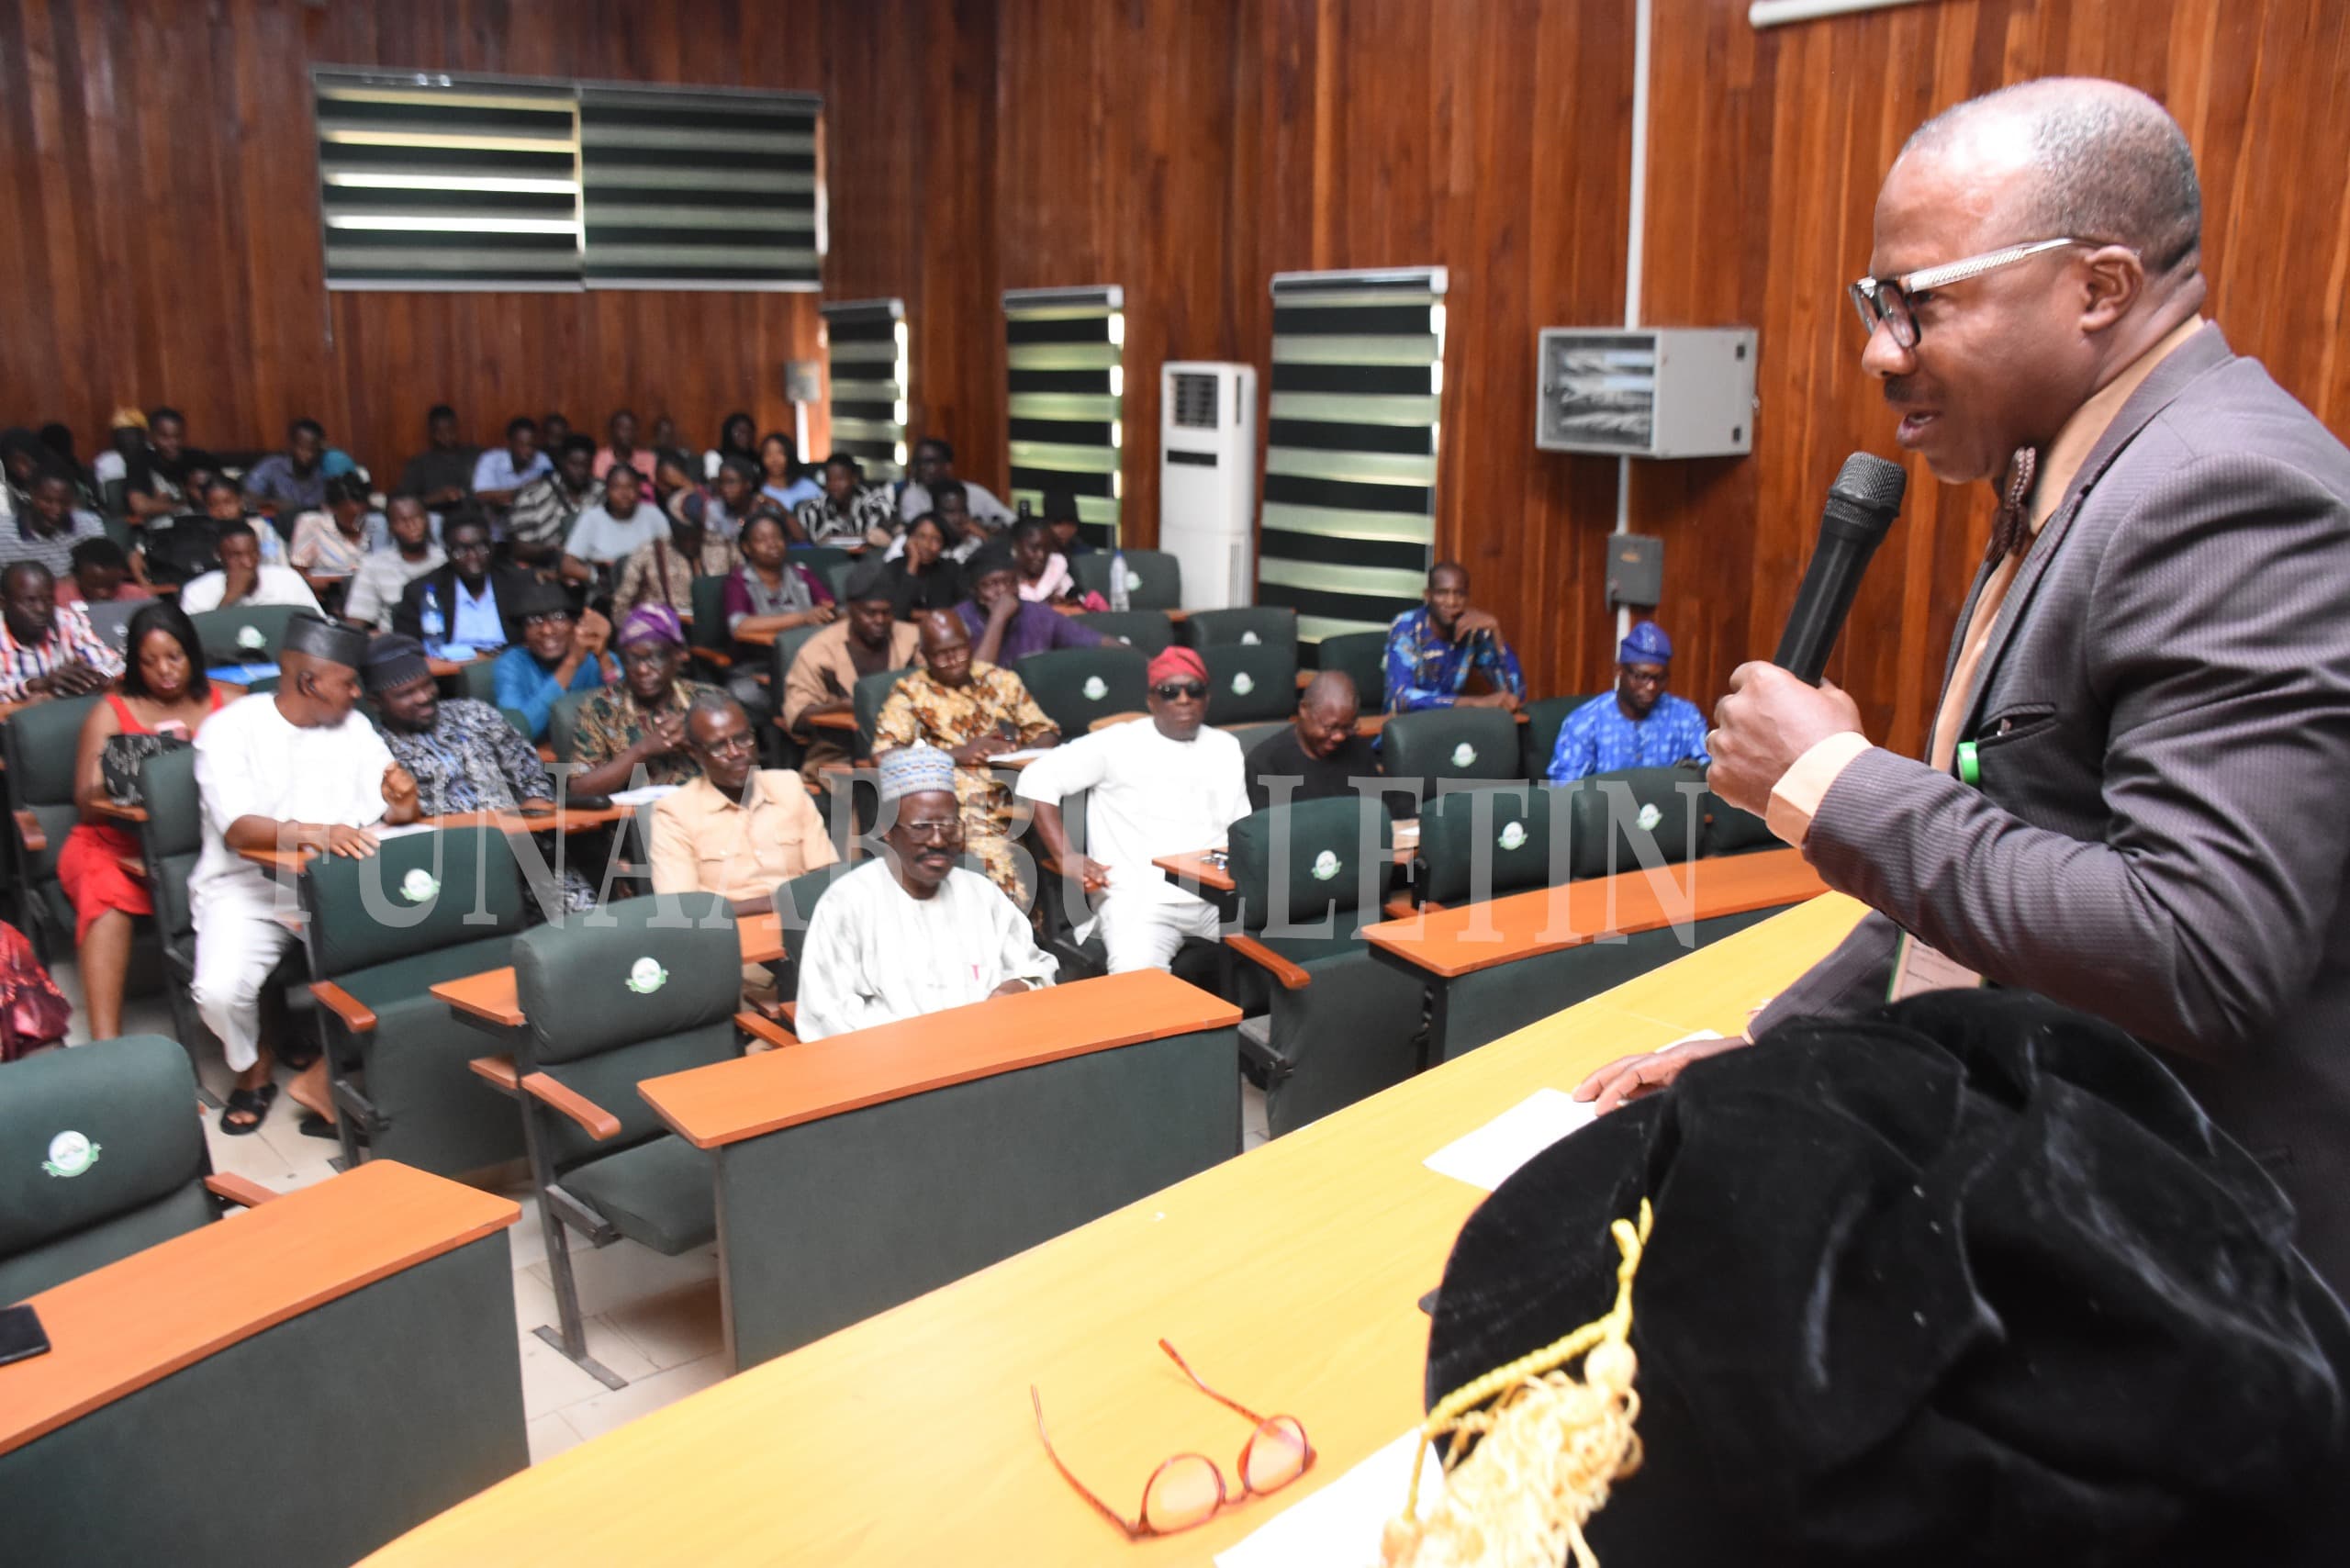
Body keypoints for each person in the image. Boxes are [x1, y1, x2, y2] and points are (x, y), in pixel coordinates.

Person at [1572, 78, 2350, 1298]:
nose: (1879, 352)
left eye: (1919, 303)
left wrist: (1834, 781)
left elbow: (2201, 947)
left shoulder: (2222, 492)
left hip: (2201, 1266)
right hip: (2065, 1186)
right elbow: (2004, 846)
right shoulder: (2072, 479)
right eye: (1875, 303)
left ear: (2098, 288)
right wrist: (1778, 1044)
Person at [192, 615, 420, 1133]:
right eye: (349, 682)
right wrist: (319, 834)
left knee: (417, 950)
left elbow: (396, 810)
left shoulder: (354, 727)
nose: (358, 693)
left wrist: (405, 800)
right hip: (250, 887)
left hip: (342, 884)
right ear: (310, 682)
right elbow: (239, 829)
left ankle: (334, 1075)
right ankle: (252, 1064)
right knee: (219, 992)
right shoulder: (228, 729)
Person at [794, 745, 1057, 1042]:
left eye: (949, 825)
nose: (938, 840)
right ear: (887, 829)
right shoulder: (846, 903)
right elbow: (824, 1015)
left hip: (992, 1048)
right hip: (895, 1062)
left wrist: (1018, 987)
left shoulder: (982, 894)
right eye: (921, 827)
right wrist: (922, 1043)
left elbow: (1034, 969)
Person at [60, 602, 236, 1040]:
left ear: (192, 653)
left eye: (174, 657)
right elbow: (85, 800)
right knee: (104, 889)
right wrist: (134, 777)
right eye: (150, 661)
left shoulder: (231, 702)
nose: (165, 671)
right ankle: (107, 1044)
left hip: (207, 841)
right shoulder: (111, 711)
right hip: (117, 843)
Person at [1019, 646, 1250, 974]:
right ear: (1151, 700)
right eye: (1170, 692)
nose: (1184, 699)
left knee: (1281, 953)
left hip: (1217, 897)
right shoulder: (1117, 743)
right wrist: (1065, 856)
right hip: (1140, 899)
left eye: (1194, 690)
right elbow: (1036, 779)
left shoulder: (1225, 746)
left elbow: (1240, 827)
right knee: (1135, 980)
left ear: (1207, 698)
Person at [364, 634, 596, 912]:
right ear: (375, 702)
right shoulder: (373, 750)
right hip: (449, 870)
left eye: (427, 684)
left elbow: (530, 771)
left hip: (529, 852)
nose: (423, 697)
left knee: (586, 919)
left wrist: (536, 800)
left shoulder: (474, 714)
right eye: (405, 694)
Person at [651, 692, 838, 1005]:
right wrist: (782, 900)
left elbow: (827, 877)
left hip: (811, 941)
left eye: (743, 739)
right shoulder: (675, 812)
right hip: (735, 959)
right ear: (696, 754)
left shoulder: (788, 786)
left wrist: (782, 903)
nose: (736, 753)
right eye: (718, 747)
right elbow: (682, 911)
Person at [872, 610, 1058, 902]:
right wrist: (959, 753)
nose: (953, 660)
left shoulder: (999, 679)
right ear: (924, 655)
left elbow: (1045, 731)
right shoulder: (910, 692)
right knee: (994, 854)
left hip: (1018, 785)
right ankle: (1013, 923)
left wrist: (1019, 750)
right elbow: (885, 756)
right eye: (941, 655)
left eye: (959, 650)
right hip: (964, 802)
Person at [780, 558, 921, 771]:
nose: (880, 620)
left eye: (887, 613)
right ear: (850, 610)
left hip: (908, 747)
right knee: (864, 787)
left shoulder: (913, 639)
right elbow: (798, 716)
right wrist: (840, 707)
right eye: (870, 613)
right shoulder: (818, 651)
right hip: (839, 752)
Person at [569, 605, 722, 795]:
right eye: (632, 659)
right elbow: (579, 789)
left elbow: (744, 774)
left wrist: (695, 743)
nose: (642, 670)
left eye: (656, 658)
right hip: (634, 813)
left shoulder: (709, 701)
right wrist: (642, 750)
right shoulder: (601, 708)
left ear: (678, 655)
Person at [1544, 622, 1712, 782]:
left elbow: (1711, 774)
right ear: (1619, 671)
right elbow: (1564, 793)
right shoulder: (1584, 723)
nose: (1651, 686)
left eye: (1660, 678)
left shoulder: (1686, 717)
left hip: (1671, 803)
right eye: (1641, 676)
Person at [1243, 669, 1399, 814]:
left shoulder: (1357, 748)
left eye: (1348, 727)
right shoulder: (1266, 764)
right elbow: (1272, 830)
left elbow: (1385, 810)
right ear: (1304, 710)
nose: (1340, 736)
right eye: (1330, 728)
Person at [1384, 561, 1525, 713]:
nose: (1451, 602)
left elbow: (1515, 695)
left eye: (1459, 594)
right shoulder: (1406, 626)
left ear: (1467, 598)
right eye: (1442, 593)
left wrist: (1496, 633)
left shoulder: (1472, 630)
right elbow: (1401, 699)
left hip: (1452, 723)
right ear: (1428, 595)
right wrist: (1475, 703)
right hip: (1406, 725)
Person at [493, 580, 614, 741]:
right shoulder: (510, 663)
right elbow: (514, 734)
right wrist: (571, 663)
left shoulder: (592, 655)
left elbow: (627, 708)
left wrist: (603, 656)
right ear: (524, 631)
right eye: (534, 620)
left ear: (575, 623)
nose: (546, 630)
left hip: (592, 751)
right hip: (535, 755)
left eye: (558, 617)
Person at [955, 539, 1104, 666]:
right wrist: (998, 619)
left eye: (1009, 582)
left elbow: (1095, 641)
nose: (1002, 591)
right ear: (975, 592)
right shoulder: (958, 620)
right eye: (991, 584)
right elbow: (980, 678)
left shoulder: (1038, 614)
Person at [397, 513, 532, 652]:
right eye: (461, 551)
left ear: (492, 548)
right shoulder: (420, 592)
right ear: (448, 554)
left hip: (508, 662)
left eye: (480, 548)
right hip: (449, 665)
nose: (473, 557)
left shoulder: (518, 583)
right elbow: (406, 649)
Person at [0, 561, 125, 701]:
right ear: (3, 603)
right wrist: (36, 685)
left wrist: (93, 677)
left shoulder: (66, 620)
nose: (42, 609)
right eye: (30, 601)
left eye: (49, 600)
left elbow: (113, 665)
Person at [614, 488, 739, 622]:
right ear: (672, 527)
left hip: (718, 626)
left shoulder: (725, 548)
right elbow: (620, 609)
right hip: (662, 628)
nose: (690, 541)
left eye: (695, 532)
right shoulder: (648, 554)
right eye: (683, 533)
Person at [723, 511, 834, 643]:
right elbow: (739, 626)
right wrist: (802, 618)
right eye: (761, 540)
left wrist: (828, 611)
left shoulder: (801, 573)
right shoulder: (738, 581)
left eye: (777, 537)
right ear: (746, 547)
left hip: (809, 645)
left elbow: (829, 606)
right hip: (762, 651)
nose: (772, 544)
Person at [177, 519, 322, 613]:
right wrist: (230, 597)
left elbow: (317, 625)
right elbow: (198, 640)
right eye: (236, 556)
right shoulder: (197, 592)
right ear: (218, 556)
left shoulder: (288, 580)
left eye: (253, 553)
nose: (247, 562)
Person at [561, 463, 668, 591]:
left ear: (639, 489)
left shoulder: (652, 514)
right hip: (609, 592)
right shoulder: (592, 518)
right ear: (607, 491)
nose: (624, 494)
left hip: (651, 587)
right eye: (616, 487)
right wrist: (597, 577)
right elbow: (567, 565)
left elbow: (672, 555)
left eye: (630, 487)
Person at [508, 434, 603, 571]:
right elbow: (518, 548)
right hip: (546, 571)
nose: (581, 471)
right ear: (562, 462)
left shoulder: (602, 492)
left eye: (586, 465)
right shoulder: (533, 496)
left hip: (595, 570)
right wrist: (551, 552)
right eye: (574, 464)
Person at [11, 466, 112, 578]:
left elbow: (100, 573)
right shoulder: (4, 532)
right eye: (47, 501)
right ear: (31, 494)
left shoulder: (89, 524)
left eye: (65, 503)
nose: (57, 510)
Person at [288, 473, 379, 592]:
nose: (357, 523)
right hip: (326, 595)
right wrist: (339, 584)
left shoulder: (377, 526)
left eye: (361, 517)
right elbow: (298, 575)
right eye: (351, 517)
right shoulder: (313, 525)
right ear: (333, 509)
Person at [896, 436, 1015, 525]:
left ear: (947, 466)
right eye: (918, 462)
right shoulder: (913, 495)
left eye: (930, 462)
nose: (922, 468)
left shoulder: (975, 493)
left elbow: (1011, 521)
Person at [793, 452, 896, 548]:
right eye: (829, 479)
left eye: (840, 479)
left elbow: (887, 533)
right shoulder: (812, 510)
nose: (834, 485)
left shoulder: (874, 503)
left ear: (854, 479)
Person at [240, 417, 330, 522]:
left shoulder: (321, 474)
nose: (307, 455)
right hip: (272, 524)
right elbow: (248, 499)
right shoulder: (271, 466)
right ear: (291, 445)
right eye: (302, 447)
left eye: (312, 450)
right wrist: (276, 505)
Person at [882, 513, 966, 618]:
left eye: (936, 540)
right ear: (909, 539)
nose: (927, 545)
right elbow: (896, 613)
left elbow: (964, 610)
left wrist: (914, 614)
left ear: (943, 545)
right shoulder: (892, 568)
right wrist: (913, 562)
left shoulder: (951, 569)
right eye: (921, 537)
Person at [397, 404, 478, 509]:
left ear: (457, 429)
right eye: (440, 432)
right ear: (432, 433)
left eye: (450, 430)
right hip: (436, 515)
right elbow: (403, 501)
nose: (446, 436)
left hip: (474, 514)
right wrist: (434, 499)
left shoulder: (474, 456)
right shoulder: (420, 464)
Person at [122, 406, 191, 524]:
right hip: (160, 529)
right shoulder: (139, 462)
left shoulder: (186, 459)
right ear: (150, 436)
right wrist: (180, 507)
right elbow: (140, 506)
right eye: (165, 437)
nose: (173, 443)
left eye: (177, 436)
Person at [470, 415, 551, 512]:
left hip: (531, 515)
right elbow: (481, 496)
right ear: (509, 443)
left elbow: (553, 488)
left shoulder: (542, 460)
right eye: (522, 445)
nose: (528, 451)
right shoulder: (490, 460)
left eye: (532, 445)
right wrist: (523, 489)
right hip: (499, 517)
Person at [57, 537, 151, 607]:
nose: (104, 594)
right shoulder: (59, 600)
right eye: (94, 586)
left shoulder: (137, 598)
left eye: (112, 586)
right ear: (77, 578)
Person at [706, 456, 777, 543]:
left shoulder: (763, 507)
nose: (725, 489)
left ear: (748, 484)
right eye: (721, 482)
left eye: (731, 482)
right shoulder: (715, 508)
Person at [1011, 513, 1079, 602]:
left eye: (1047, 549)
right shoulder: (1004, 580)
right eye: (1034, 548)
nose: (1041, 556)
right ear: (1016, 546)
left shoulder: (1055, 569)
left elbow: (1077, 601)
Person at [755, 431, 822, 512]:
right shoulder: (757, 489)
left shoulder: (808, 487)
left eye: (780, 452)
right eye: (768, 454)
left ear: (789, 455)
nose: (774, 459)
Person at [593, 409, 655, 484]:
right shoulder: (600, 458)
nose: (627, 433)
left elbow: (651, 486)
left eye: (631, 429)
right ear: (612, 431)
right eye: (622, 429)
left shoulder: (648, 459)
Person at [702, 410, 759, 483]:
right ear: (728, 433)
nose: (745, 436)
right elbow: (714, 482)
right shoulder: (715, 455)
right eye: (739, 432)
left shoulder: (756, 458)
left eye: (749, 432)